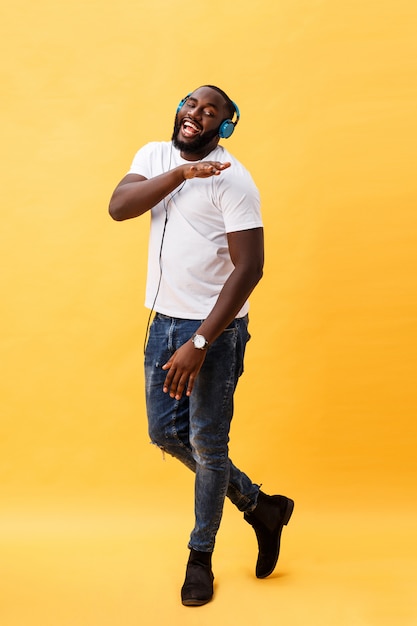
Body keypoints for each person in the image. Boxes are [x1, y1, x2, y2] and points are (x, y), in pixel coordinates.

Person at [108, 85, 294, 606]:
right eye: (191, 103)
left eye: (210, 111)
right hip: (163, 322)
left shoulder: (235, 181)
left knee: (209, 447)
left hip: (214, 330)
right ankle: (262, 506)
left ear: (224, 126)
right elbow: (119, 208)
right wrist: (180, 175)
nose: (195, 114)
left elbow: (250, 267)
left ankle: (200, 558)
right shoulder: (155, 156)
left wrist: (200, 340)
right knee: (165, 433)